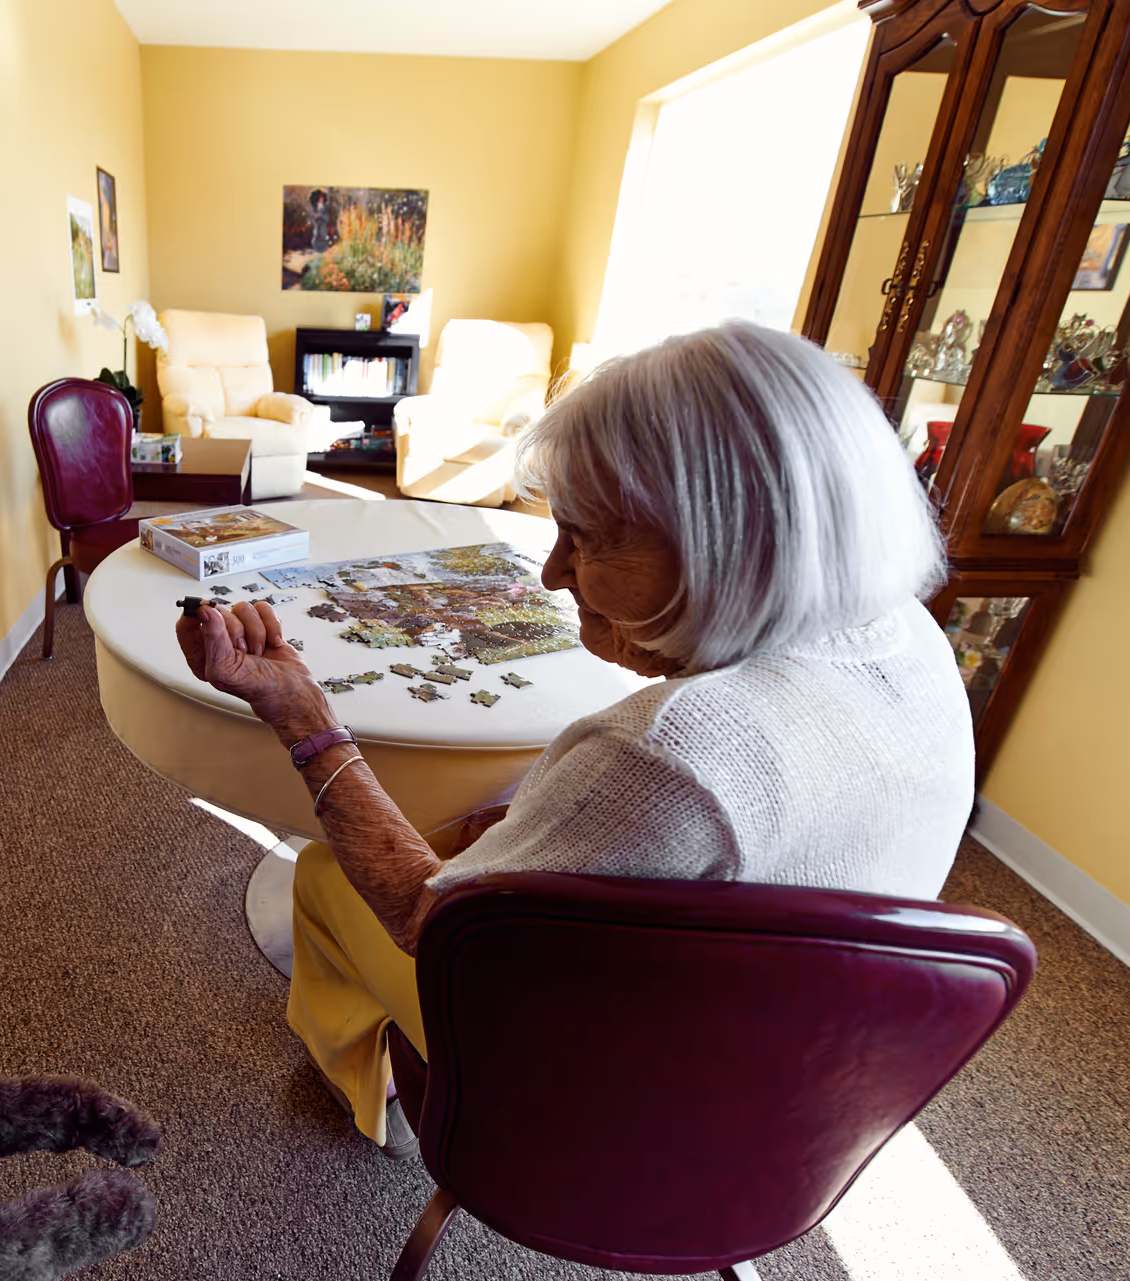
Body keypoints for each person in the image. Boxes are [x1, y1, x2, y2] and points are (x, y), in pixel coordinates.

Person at [173, 322, 974, 1158]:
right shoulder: (913, 635)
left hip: (615, 1090)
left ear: (721, 545)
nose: (553, 573)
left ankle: (372, 1093)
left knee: (325, 870)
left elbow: (425, 917)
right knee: (482, 823)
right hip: (813, 1085)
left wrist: (304, 714)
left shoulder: (665, 748)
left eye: (583, 538)